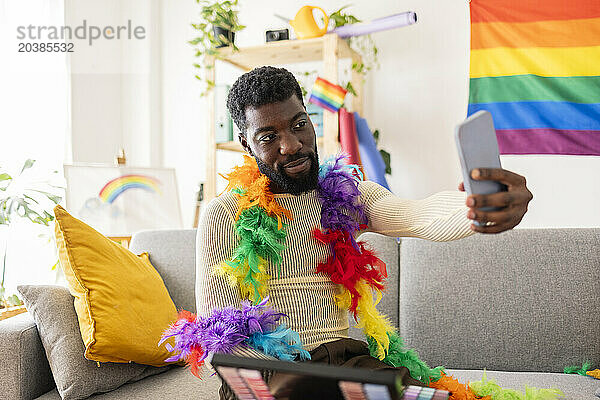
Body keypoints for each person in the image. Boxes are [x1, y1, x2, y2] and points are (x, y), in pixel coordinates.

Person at [196, 66, 533, 399]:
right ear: (245, 143)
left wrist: (477, 208)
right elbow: (221, 336)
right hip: (269, 372)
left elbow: (416, 215)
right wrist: (292, 382)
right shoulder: (223, 213)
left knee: (412, 394)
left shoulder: (344, 196)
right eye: (268, 137)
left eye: (299, 125)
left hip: (347, 360)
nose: (291, 145)